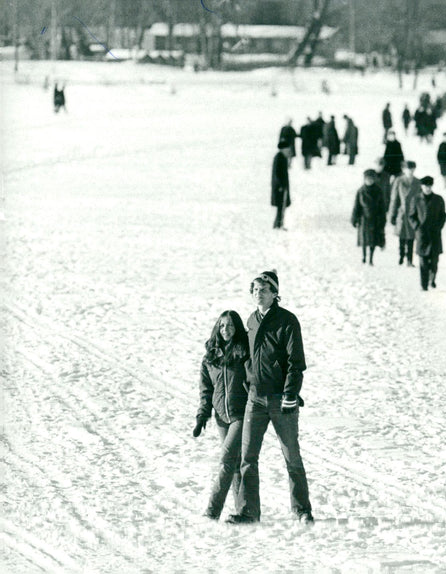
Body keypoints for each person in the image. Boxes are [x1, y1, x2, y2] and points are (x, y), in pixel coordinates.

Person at [227, 271, 313, 524]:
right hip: (255, 399)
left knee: (292, 457)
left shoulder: (287, 320)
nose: (258, 294)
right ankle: (248, 511)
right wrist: (246, 381)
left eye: (264, 289)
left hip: (281, 400)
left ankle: (302, 510)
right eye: (255, 289)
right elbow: (247, 357)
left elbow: (296, 362)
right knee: (248, 458)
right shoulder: (251, 320)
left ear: (275, 294)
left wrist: (290, 394)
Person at [193, 310, 250, 520]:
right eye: (223, 325)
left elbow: (254, 378)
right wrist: (202, 415)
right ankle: (242, 511)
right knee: (234, 463)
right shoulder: (210, 357)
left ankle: (212, 511)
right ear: (218, 327)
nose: (227, 330)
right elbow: (206, 390)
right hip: (221, 417)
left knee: (227, 459)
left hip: (240, 415)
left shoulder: (244, 352)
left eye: (232, 326)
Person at [408, 176, 446, 291]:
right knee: (423, 261)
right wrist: (417, 227)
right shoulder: (416, 199)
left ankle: (432, 278)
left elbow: (443, 215)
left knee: (434, 260)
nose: (427, 189)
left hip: (435, 233)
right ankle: (423, 285)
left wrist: (439, 226)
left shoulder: (439, 199)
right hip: (422, 234)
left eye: (429, 186)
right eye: (425, 186)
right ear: (422, 186)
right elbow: (411, 216)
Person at [389, 161, 421, 266]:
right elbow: (394, 199)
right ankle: (401, 254)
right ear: (403, 170)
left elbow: (421, 199)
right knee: (402, 235)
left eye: (412, 169)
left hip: (413, 213)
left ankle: (409, 260)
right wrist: (392, 214)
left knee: (411, 236)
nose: (410, 171)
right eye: (408, 169)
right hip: (401, 212)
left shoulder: (418, 182)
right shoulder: (399, 181)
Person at [351, 169, 386, 265]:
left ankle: (371, 258)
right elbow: (356, 206)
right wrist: (354, 218)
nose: (369, 181)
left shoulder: (378, 191)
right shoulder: (361, 191)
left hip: (375, 218)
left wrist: (382, 219)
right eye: (367, 179)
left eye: (371, 179)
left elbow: (382, 207)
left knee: (373, 240)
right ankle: (363, 256)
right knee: (364, 239)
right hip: (364, 218)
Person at [271, 140, 292, 230]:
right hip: (279, 187)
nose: (288, 150)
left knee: (282, 206)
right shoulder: (279, 158)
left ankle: (279, 224)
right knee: (280, 206)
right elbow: (276, 173)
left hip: (282, 186)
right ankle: (278, 225)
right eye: (287, 149)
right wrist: (280, 185)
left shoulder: (282, 157)